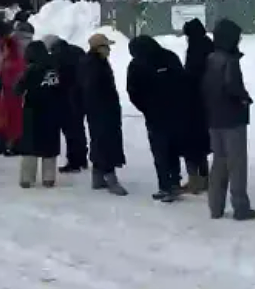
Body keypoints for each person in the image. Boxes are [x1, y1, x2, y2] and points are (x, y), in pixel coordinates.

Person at [202, 18, 255, 221]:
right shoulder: (230, 61)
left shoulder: (210, 59)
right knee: (237, 165)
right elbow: (233, 87)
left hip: (214, 119)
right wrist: (244, 99)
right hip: (232, 120)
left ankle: (215, 207)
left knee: (219, 163)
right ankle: (240, 207)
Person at [127, 35, 188, 202]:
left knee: (161, 150)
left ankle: (167, 185)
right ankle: (172, 183)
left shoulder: (137, 64)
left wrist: (146, 108)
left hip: (159, 114)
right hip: (169, 112)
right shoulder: (169, 57)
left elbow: (133, 91)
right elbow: (182, 81)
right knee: (170, 149)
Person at [81, 33, 128, 195]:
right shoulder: (94, 65)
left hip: (100, 110)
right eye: (107, 46)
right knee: (106, 142)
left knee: (99, 141)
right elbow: (92, 89)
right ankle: (110, 177)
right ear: (98, 48)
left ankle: (98, 176)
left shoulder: (95, 62)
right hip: (101, 110)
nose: (109, 50)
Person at [14, 41, 64, 189]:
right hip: (53, 110)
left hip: (33, 111)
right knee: (50, 144)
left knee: (30, 145)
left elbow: (18, 89)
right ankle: (49, 178)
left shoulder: (31, 70)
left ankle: (27, 178)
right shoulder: (54, 68)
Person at [44, 35, 89, 173]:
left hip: (66, 97)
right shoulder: (78, 50)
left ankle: (74, 162)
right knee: (79, 128)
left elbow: (55, 78)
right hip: (82, 94)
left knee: (70, 131)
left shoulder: (56, 56)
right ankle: (82, 159)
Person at [181, 18, 214, 194]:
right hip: (207, 101)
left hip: (194, 102)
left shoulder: (196, 49)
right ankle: (205, 179)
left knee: (191, 142)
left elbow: (191, 75)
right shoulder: (209, 45)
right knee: (202, 141)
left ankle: (195, 180)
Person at [0, 21, 30, 156]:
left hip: (13, 93)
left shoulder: (14, 61)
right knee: (3, 118)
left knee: (13, 119)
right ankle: (5, 142)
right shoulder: (10, 58)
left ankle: (13, 144)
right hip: (6, 92)